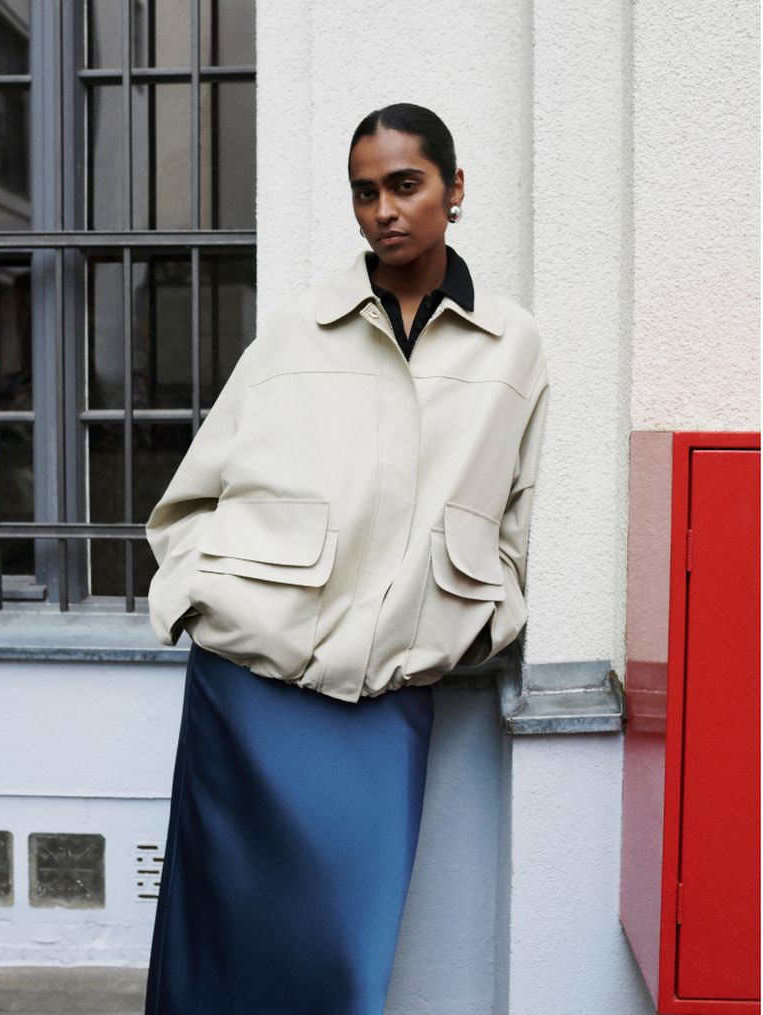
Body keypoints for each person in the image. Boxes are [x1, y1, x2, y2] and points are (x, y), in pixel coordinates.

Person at [143, 102, 549, 1015]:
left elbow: (513, 521)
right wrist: (203, 596)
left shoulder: (512, 346)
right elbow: (189, 500)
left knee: (343, 967)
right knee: (216, 961)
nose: (384, 211)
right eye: (365, 193)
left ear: (454, 187)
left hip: (386, 696)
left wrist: (481, 621)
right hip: (249, 686)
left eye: (405, 185)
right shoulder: (298, 328)